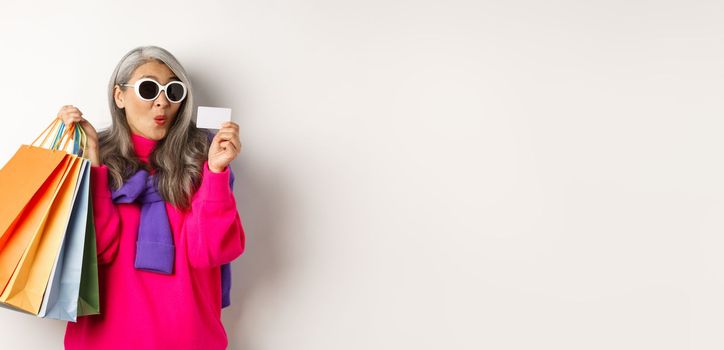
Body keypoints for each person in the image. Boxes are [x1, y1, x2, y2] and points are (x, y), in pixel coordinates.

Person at [58, 45, 246, 349]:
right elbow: (95, 252)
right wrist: (92, 159)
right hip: (102, 339)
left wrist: (215, 172)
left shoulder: (203, 161)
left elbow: (209, 252)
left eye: (173, 91)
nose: (162, 102)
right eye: (148, 88)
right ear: (119, 96)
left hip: (188, 338)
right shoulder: (93, 160)